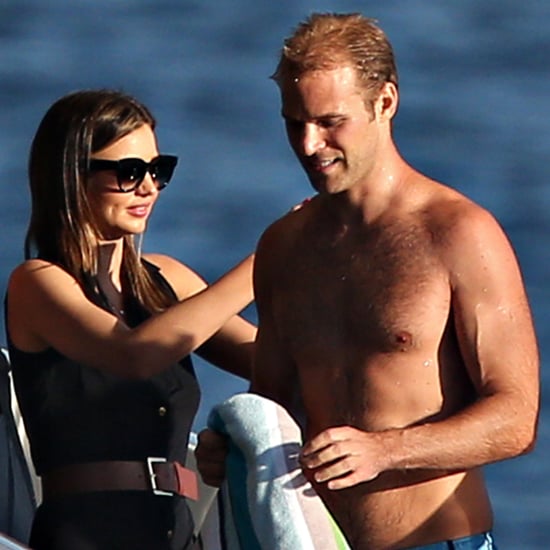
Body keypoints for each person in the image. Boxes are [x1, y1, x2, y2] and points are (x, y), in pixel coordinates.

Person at [196, 12, 540, 550]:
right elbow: (273, 408)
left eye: (331, 121)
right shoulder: (283, 246)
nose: (310, 144)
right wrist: (227, 450)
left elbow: (517, 419)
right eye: (294, 123)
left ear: (385, 103)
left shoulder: (458, 233)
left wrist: (386, 451)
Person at [5, 89, 257, 550]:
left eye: (159, 171)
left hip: (175, 535)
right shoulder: (38, 284)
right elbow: (134, 355)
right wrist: (265, 264)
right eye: (129, 172)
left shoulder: (171, 281)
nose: (148, 187)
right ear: (71, 177)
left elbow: (272, 361)